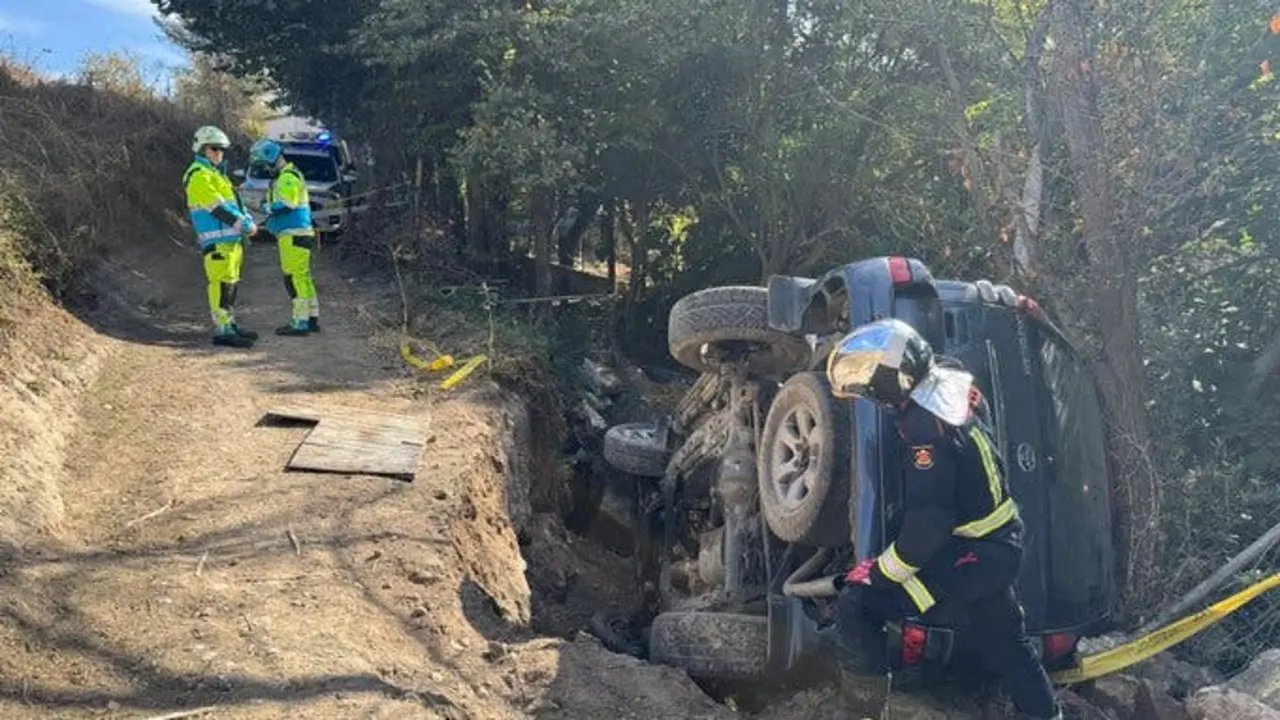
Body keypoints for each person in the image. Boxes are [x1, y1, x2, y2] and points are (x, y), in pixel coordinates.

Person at [824, 318, 1062, 720]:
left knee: (858, 604)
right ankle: (1046, 715)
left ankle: (862, 713)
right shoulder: (949, 383)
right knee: (1007, 643)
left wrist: (881, 572)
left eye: (868, 385)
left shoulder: (924, 428)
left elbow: (928, 525)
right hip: (998, 547)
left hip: (971, 556)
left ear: (887, 384)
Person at [184, 125, 259, 348]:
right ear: (202, 149)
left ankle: (230, 325)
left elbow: (234, 203)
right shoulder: (198, 175)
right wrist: (245, 224)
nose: (219, 153)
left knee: (231, 285)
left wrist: (248, 219)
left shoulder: (217, 175)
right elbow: (217, 208)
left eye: (221, 149)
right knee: (221, 285)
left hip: (230, 241)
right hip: (217, 242)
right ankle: (222, 330)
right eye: (214, 149)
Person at [249, 138, 321, 336]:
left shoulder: (287, 178)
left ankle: (300, 322)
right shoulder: (288, 175)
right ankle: (311, 318)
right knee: (303, 277)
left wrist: (265, 207)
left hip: (293, 235)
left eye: (264, 166)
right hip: (299, 234)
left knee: (293, 278)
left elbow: (286, 203)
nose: (264, 170)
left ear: (271, 157)